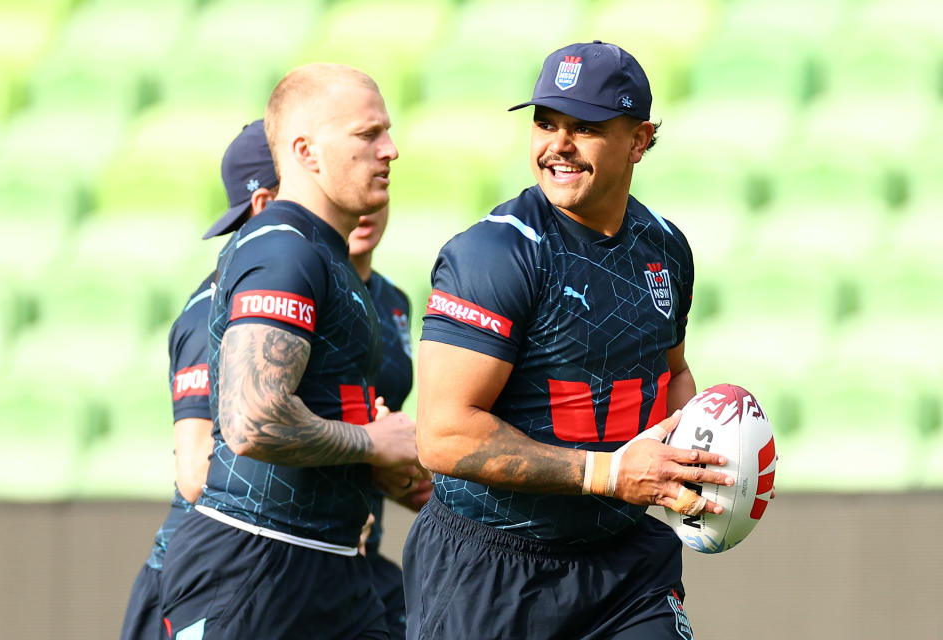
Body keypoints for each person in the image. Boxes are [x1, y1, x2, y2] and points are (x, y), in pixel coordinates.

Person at [404, 41, 736, 639]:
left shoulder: (665, 247)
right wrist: (608, 474)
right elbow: (442, 435)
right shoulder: (493, 254)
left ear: (640, 140)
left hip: (629, 568)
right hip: (490, 571)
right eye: (545, 122)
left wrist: (694, 454)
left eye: (584, 127)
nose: (557, 145)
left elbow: (671, 371)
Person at [159, 63, 420, 639]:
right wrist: (376, 443)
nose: (391, 150)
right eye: (368, 135)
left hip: (336, 567)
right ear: (306, 152)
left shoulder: (331, 260)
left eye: (387, 132)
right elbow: (253, 421)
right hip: (254, 567)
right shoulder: (283, 250)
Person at [118, 119, 277, 640]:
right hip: (201, 584)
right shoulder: (213, 311)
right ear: (264, 204)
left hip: (270, 575)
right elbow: (196, 471)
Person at [348, 205, 434, 639]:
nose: (365, 209)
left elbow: (391, 436)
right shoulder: (300, 291)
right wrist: (370, 450)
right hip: (303, 549)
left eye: (377, 190)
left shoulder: (393, 300)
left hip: (367, 554)